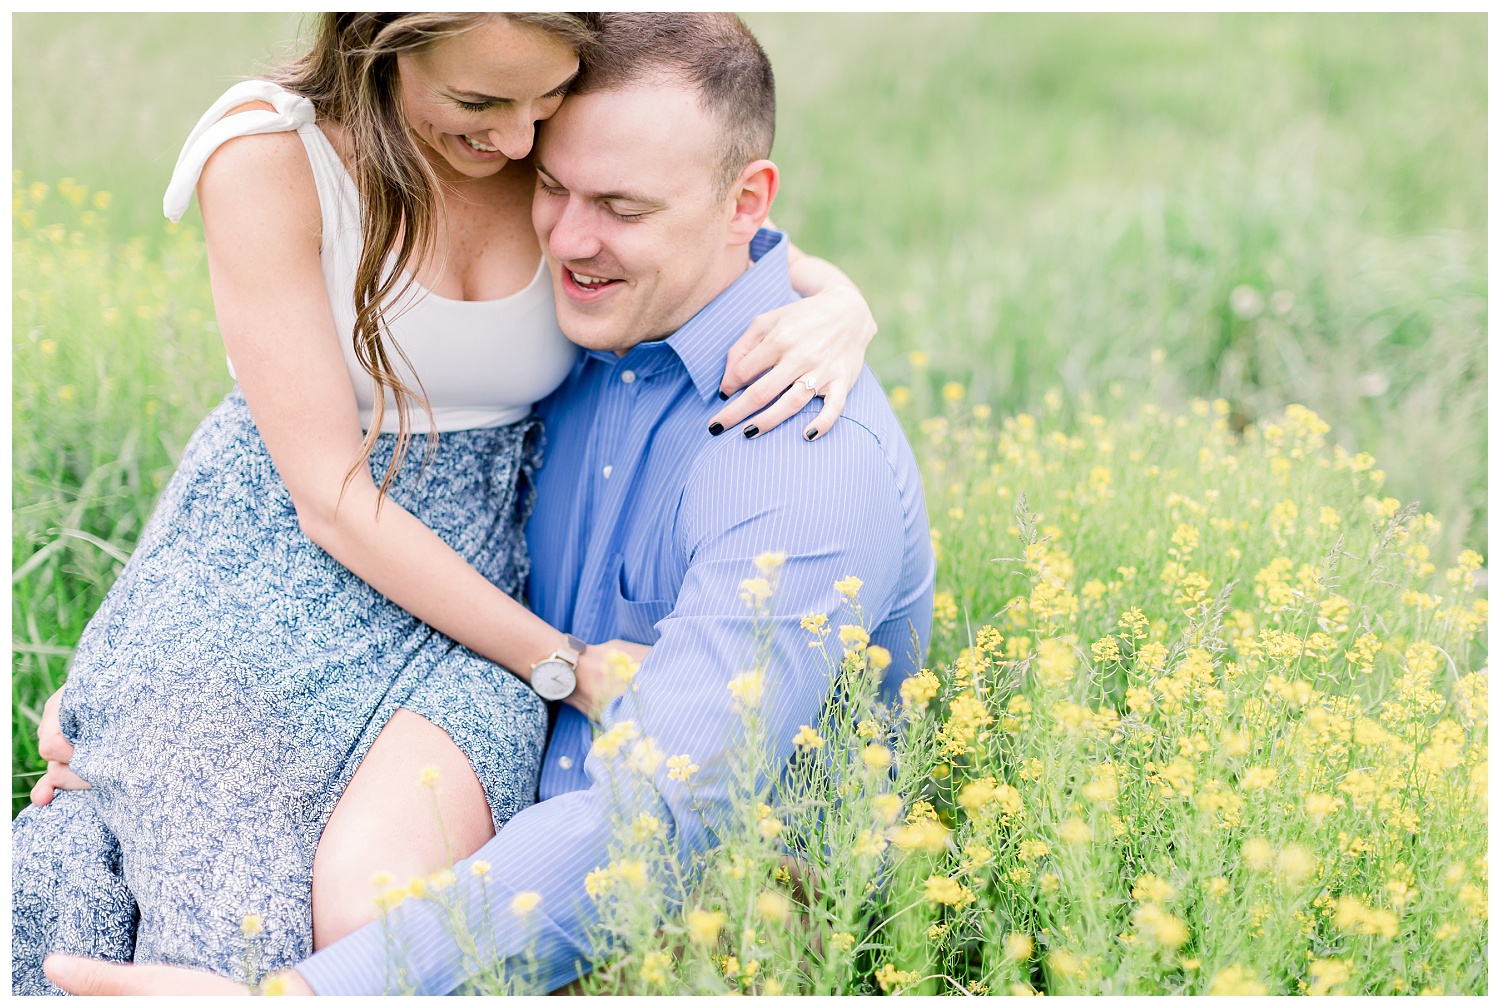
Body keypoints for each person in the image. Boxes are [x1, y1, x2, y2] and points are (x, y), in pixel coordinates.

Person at [42, 12, 935, 997]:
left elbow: (671, 810)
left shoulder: (797, 466)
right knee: (120, 849)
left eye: (617, 205)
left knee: (331, 921)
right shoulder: (603, 314)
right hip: (362, 609)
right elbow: (322, 493)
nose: (563, 228)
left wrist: (303, 999)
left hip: (677, 882)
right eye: (553, 185)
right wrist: (149, 705)